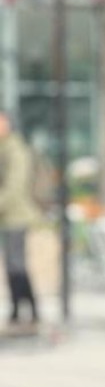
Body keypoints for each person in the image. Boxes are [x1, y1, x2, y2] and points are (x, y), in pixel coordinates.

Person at [0, 110, 41, 327]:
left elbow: (14, 187)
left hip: (17, 215)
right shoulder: (4, 149)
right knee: (12, 264)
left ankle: (29, 309)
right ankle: (18, 309)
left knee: (16, 264)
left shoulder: (16, 151)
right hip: (7, 216)